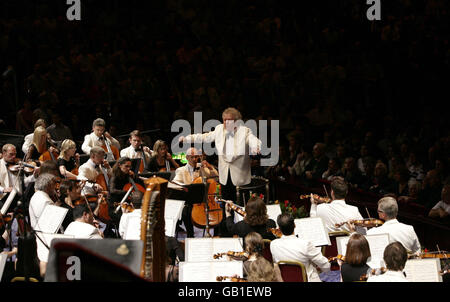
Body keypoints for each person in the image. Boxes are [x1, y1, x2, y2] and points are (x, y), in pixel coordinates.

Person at [179, 107, 261, 202]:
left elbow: (253, 139)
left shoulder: (245, 131)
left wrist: (255, 147)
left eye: (229, 120)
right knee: (226, 206)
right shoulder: (219, 129)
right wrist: (187, 138)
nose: (225, 123)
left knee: (241, 206)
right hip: (224, 177)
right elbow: (205, 137)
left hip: (240, 178)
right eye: (224, 120)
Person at [270, 213, 330, 282]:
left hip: (285, 280)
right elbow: (325, 265)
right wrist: (326, 270)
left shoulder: (273, 244)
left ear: (279, 229)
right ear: (295, 225)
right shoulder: (305, 244)